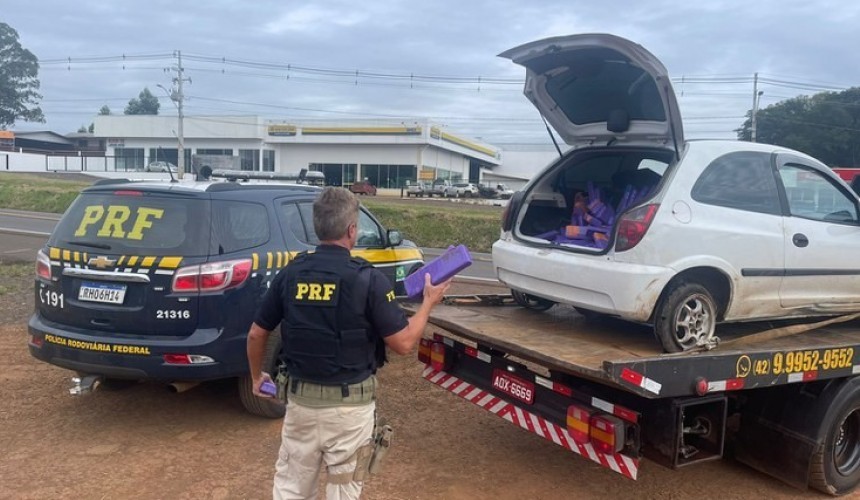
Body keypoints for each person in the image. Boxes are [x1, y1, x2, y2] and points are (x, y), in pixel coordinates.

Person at [246, 186, 451, 500]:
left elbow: (256, 334)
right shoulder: (368, 280)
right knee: (343, 492)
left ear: (317, 227)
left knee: (290, 490)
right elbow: (404, 343)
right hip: (349, 412)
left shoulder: (291, 273)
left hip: (300, 405)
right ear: (352, 230)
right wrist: (428, 303)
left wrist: (256, 378)